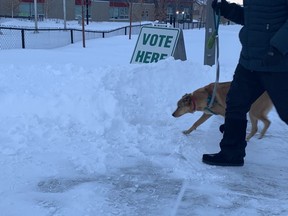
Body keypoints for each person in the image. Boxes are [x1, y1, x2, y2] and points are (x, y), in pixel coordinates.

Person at [202, 0, 288, 166]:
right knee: (235, 104)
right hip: (249, 62)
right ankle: (231, 154)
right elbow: (251, 19)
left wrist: (278, 48)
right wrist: (228, 10)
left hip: (278, 63)